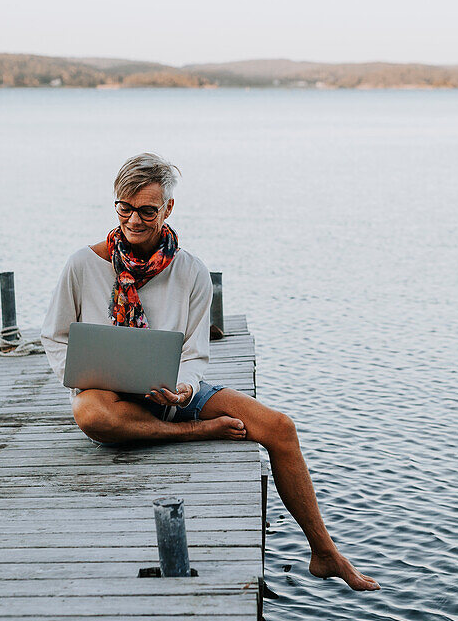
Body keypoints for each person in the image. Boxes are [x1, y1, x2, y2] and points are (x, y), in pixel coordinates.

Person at [41, 152, 378, 592]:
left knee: (280, 427)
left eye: (147, 210)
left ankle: (325, 553)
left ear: (168, 209)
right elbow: (56, 338)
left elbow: (195, 356)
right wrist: (89, 375)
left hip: (173, 392)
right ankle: (198, 432)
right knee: (90, 415)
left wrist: (182, 389)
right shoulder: (82, 265)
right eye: (125, 208)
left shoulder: (191, 272)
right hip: (107, 394)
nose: (134, 220)